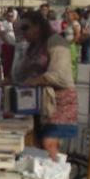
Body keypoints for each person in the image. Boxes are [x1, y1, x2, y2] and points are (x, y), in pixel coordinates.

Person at [11, 11, 78, 159]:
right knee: (33, 142)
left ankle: (55, 176)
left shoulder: (56, 42)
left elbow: (61, 76)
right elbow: (21, 73)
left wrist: (35, 80)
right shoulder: (33, 46)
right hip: (39, 104)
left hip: (59, 103)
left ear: (38, 26)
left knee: (49, 144)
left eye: (25, 28)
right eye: (20, 28)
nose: (23, 32)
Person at [0, 9, 17, 79]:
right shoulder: (3, 23)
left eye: (12, 16)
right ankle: (6, 76)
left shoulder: (15, 23)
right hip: (7, 45)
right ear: (6, 16)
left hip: (15, 45)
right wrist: (7, 43)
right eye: (9, 16)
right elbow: (1, 33)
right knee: (7, 62)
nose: (10, 17)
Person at [64, 11, 82, 82]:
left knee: (72, 61)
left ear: (73, 16)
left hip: (72, 45)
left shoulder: (75, 24)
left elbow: (77, 35)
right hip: (67, 44)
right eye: (67, 15)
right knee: (68, 61)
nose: (67, 17)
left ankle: (73, 77)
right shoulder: (69, 24)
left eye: (69, 15)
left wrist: (71, 43)